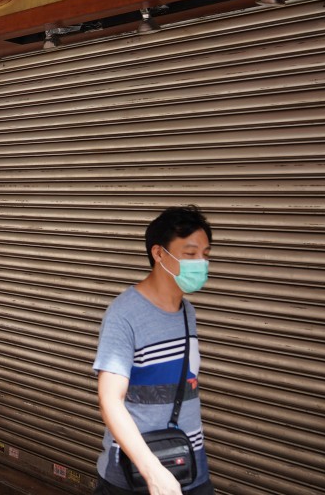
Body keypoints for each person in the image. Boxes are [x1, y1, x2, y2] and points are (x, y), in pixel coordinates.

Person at [93, 205, 214, 495]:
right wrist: (152, 470)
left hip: (190, 465)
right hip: (136, 474)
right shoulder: (124, 314)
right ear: (159, 254)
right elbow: (110, 400)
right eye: (190, 253)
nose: (201, 263)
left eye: (206, 255)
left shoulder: (187, 312)